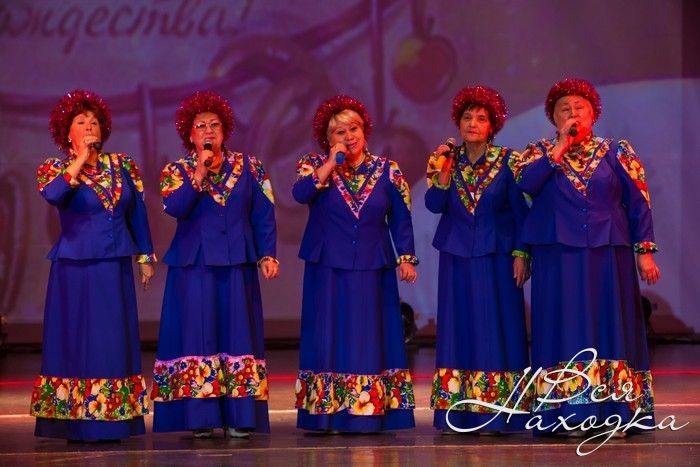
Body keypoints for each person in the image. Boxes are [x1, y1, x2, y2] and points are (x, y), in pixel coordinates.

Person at [511, 78, 660, 435]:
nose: (573, 113)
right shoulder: (537, 153)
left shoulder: (617, 151)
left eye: (580, 108)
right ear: (553, 118)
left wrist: (645, 251)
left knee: (610, 326)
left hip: (608, 254)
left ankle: (614, 410)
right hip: (557, 255)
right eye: (565, 109)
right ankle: (566, 412)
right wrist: (559, 148)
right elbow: (525, 187)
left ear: (594, 114)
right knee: (563, 327)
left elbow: (638, 202)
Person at [151, 91, 278, 439]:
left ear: (224, 131)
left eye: (214, 125)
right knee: (199, 335)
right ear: (189, 135)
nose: (208, 131)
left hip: (237, 263)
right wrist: (199, 173)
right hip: (195, 265)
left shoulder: (251, 167)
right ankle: (201, 416)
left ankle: (239, 416)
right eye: (200, 126)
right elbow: (175, 208)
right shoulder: (176, 170)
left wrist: (267, 254)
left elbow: (263, 213)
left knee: (237, 335)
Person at [31, 89, 155, 441]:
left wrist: (145, 256)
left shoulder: (123, 165)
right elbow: (54, 195)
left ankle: (113, 419)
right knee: (78, 340)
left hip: (113, 265)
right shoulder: (55, 168)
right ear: (66, 132)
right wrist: (81, 158)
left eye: (95, 122)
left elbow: (137, 212)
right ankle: (76, 420)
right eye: (81, 122)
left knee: (112, 340)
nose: (89, 127)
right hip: (75, 268)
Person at [293, 95, 418, 433]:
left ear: (365, 131)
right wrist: (330, 164)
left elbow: (401, 217)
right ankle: (328, 414)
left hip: (372, 264)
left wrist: (406, 257)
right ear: (327, 138)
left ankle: (367, 411)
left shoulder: (388, 170)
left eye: (354, 129)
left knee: (368, 335)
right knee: (328, 334)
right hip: (327, 265)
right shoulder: (313, 164)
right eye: (339, 132)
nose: (348, 136)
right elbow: (301, 194)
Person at [425, 85, 532, 433]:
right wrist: (443, 173)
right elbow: (433, 205)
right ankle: (460, 411)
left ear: (492, 126)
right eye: (467, 117)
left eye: (481, 118)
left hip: (498, 255)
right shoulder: (443, 159)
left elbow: (521, 213)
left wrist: (522, 253)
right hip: (456, 255)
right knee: (459, 328)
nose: (473, 123)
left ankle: (503, 412)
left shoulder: (510, 161)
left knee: (498, 327)